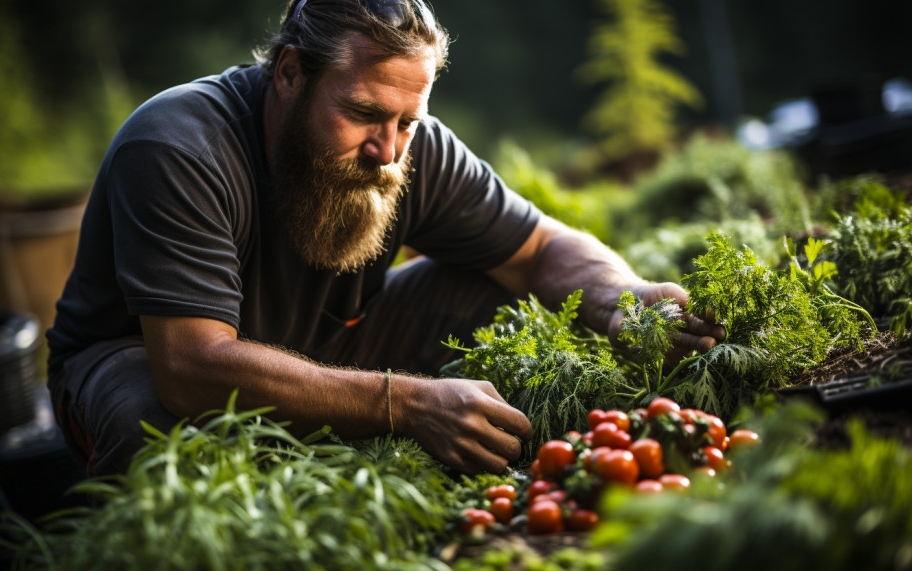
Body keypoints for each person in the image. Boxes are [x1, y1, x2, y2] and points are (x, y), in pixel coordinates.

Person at [46, 0, 725, 477]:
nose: (389, 150)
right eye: (364, 113)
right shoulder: (178, 145)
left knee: (500, 293)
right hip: (144, 362)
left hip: (319, 343)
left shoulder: (410, 146)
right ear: (289, 73)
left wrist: (622, 299)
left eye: (409, 120)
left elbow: (544, 248)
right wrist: (402, 402)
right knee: (155, 426)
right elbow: (191, 366)